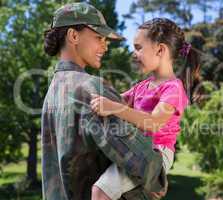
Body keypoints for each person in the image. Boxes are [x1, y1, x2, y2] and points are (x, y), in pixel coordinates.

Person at [41, 3, 167, 200]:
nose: (105, 46)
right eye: (99, 38)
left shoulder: (52, 93)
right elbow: (139, 158)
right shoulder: (91, 88)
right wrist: (158, 174)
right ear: (73, 36)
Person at [91, 18, 202, 200]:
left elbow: (154, 123)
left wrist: (114, 107)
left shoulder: (173, 88)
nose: (133, 54)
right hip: (137, 149)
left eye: (138, 47)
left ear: (160, 49)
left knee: (100, 192)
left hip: (156, 154)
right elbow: (116, 99)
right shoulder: (142, 86)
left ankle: (154, 180)